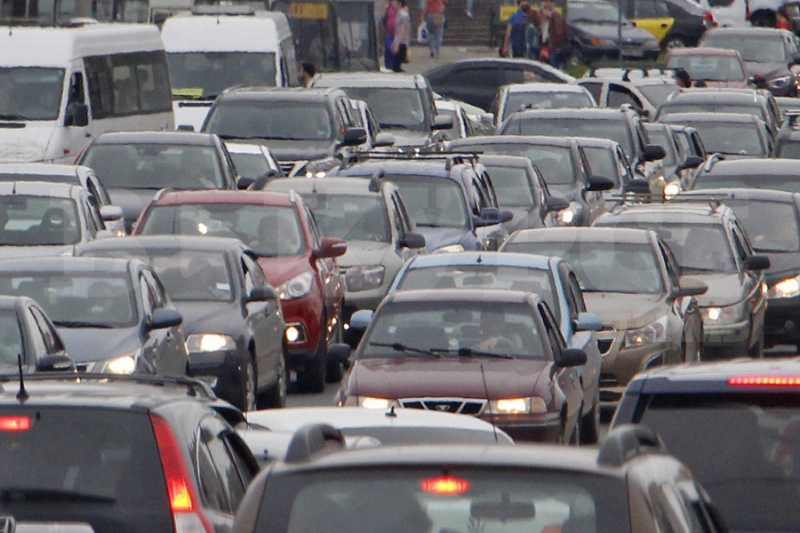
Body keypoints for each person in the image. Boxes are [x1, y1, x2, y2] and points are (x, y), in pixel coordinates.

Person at [529, 0, 568, 68]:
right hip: (545, 45)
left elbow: (559, 32)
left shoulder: (555, 17)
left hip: (553, 46)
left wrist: (557, 46)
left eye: (544, 9)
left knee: (553, 64)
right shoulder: (544, 20)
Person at [391, 0, 411, 72]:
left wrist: (397, 43)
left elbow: (403, 30)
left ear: (399, 4)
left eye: (394, 2)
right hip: (400, 41)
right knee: (396, 66)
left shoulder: (403, 15)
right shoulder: (400, 14)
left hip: (401, 42)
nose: (392, 4)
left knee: (396, 66)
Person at [382, 0, 398, 70]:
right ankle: (387, 65)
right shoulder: (388, 7)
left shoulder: (400, 9)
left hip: (397, 32)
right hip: (388, 31)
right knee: (388, 48)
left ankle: (394, 65)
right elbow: (384, 18)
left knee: (395, 49)